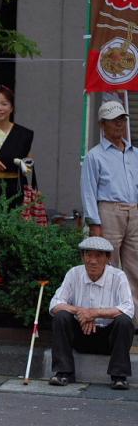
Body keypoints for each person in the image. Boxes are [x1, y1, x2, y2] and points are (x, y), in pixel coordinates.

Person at [48, 236, 133, 390]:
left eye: (98, 255)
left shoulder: (118, 276)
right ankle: (63, 372)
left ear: (108, 258)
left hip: (108, 338)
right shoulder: (74, 273)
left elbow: (128, 308)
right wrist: (81, 311)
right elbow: (54, 304)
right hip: (80, 335)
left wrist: (95, 313)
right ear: (83, 257)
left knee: (125, 321)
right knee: (60, 316)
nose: (92, 261)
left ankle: (119, 376)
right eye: (88, 255)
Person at [81, 100, 138, 325]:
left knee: (135, 266)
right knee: (108, 266)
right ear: (102, 124)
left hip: (134, 211)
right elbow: (88, 190)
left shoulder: (135, 153)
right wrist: (94, 221)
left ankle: (132, 320)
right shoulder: (95, 155)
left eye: (122, 120)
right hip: (108, 211)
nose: (119, 125)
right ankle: (108, 318)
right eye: (114, 121)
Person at [0, 85, 35, 202]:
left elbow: (28, 163)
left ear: (12, 108)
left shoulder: (23, 134)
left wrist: (25, 165)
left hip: (16, 187)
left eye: (4, 104)